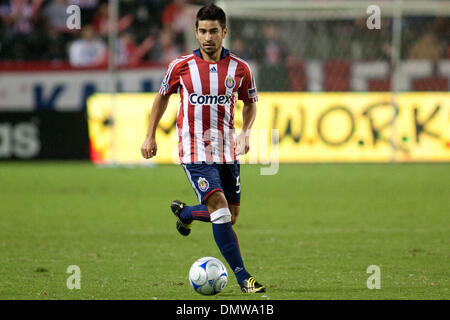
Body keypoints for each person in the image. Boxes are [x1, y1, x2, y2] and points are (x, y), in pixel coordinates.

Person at [141, 4, 265, 294]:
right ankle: (244, 278)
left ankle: (186, 214)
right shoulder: (180, 66)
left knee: (230, 216)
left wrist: (245, 132)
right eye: (201, 31)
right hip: (193, 149)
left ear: (224, 32)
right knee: (220, 210)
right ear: (195, 32)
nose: (207, 37)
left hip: (226, 150)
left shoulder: (241, 68)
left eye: (213, 31)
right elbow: (161, 99)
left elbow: (250, 103)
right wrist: (150, 136)